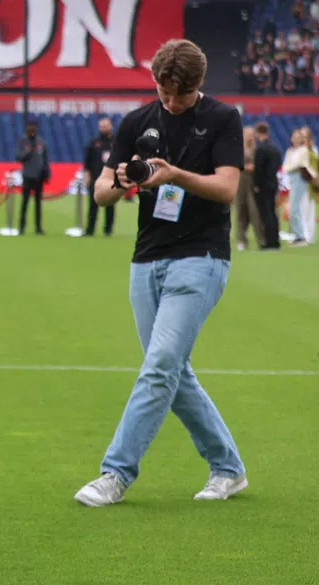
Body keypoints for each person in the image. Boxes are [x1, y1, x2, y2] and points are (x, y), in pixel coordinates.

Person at [75, 39, 248, 507]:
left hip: (202, 257)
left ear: (199, 84)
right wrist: (124, 182)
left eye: (180, 94)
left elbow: (227, 187)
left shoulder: (222, 118)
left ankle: (115, 473)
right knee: (172, 372)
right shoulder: (135, 122)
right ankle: (229, 469)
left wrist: (174, 175)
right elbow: (101, 192)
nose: (171, 102)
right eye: (163, 91)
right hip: (146, 259)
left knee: (158, 368)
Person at [282, 126, 319, 246]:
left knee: (296, 208)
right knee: (296, 209)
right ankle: (298, 235)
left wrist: (291, 167)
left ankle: (302, 236)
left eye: (299, 137)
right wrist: (291, 167)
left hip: (301, 180)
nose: (296, 139)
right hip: (293, 179)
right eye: (295, 137)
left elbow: (300, 164)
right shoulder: (290, 151)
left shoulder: (305, 150)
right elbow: (286, 167)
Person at [250, 121, 281, 250]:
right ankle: (275, 240)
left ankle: (269, 242)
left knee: (265, 214)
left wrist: (256, 184)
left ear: (258, 133)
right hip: (273, 183)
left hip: (263, 186)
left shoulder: (261, 149)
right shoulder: (275, 148)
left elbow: (258, 170)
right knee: (273, 213)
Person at [84, 117, 116, 238]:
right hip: (95, 178)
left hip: (111, 178)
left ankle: (108, 230)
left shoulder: (116, 142)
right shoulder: (93, 142)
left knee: (110, 205)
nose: (103, 128)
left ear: (110, 127)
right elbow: (87, 163)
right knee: (93, 205)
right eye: (101, 126)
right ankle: (90, 229)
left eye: (105, 126)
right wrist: (87, 176)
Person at [233, 123, 263, 251]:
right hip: (239, 181)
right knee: (240, 210)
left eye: (252, 135)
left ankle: (261, 239)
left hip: (253, 181)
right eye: (247, 134)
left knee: (255, 211)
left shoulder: (257, 150)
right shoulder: (237, 148)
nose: (250, 137)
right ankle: (241, 240)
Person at [16, 119, 48, 235]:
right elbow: (19, 157)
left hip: (39, 176)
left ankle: (38, 227)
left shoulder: (41, 142)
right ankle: (21, 227)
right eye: (30, 127)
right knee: (25, 202)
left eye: (34, 127)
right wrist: (28, 152)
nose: (32, 129)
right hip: (28, 175)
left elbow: (45, 160)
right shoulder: (22, 141)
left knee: (38, 203)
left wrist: (46, 174)